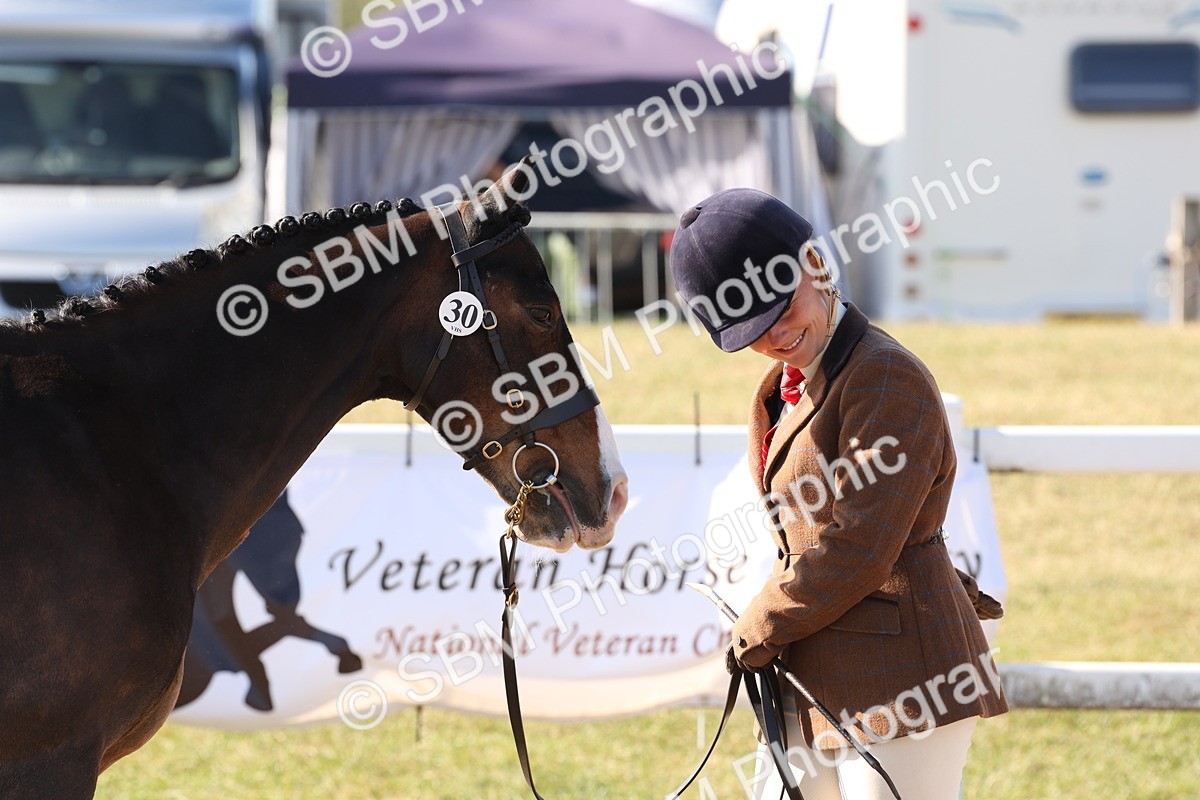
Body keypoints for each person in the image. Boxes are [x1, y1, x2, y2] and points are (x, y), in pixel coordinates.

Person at [669, 188, 1008, 800]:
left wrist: (759, 626)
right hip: (810, 676)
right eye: (752, 329)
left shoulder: (885, 376)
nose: (774, 336)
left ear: (815, 263)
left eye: (782, 308)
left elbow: (857, 543)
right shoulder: (784, 385)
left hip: (905, 677)